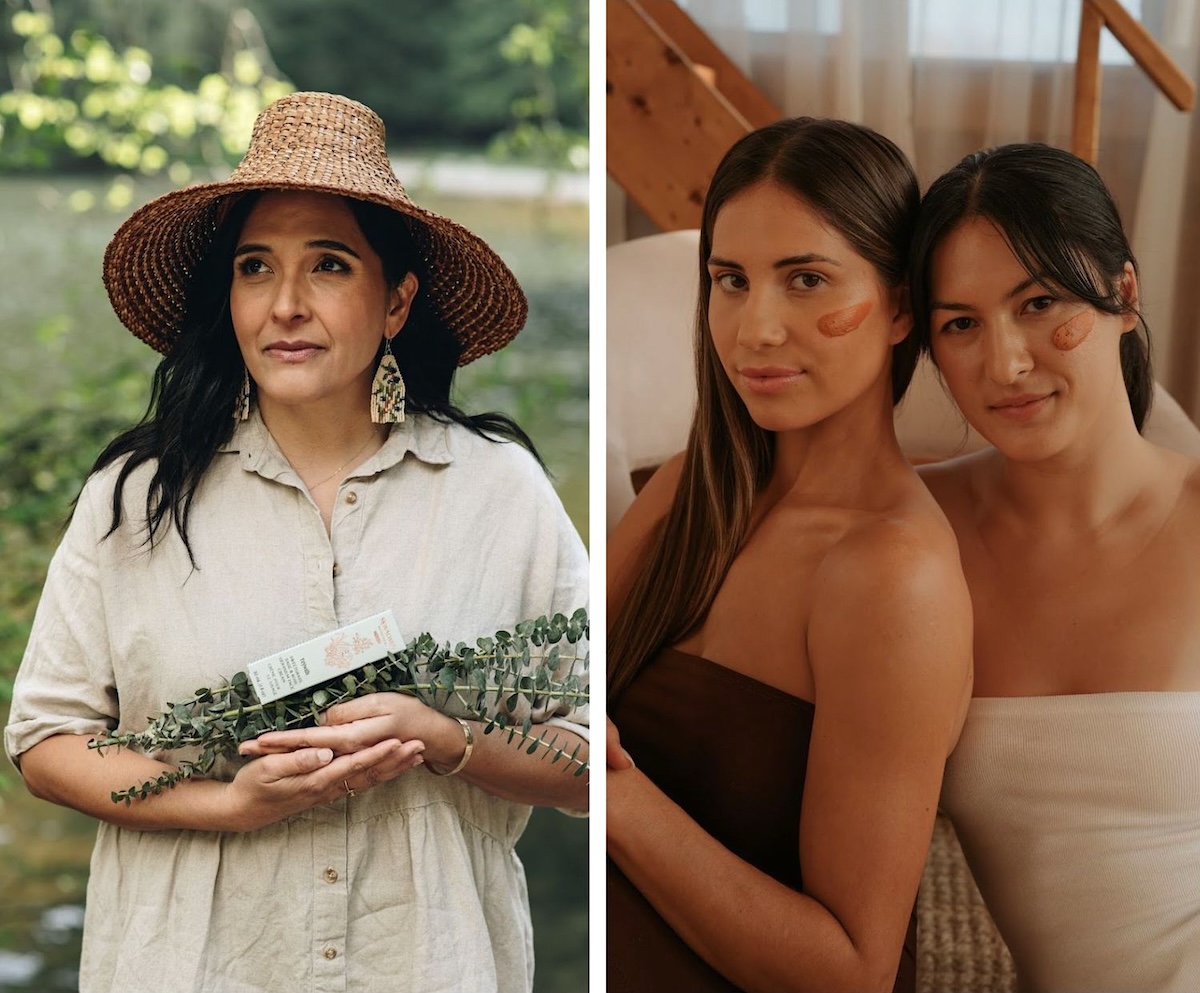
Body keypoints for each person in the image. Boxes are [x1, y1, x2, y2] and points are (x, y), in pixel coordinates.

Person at [4, 91, 588, 993]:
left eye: (328, 266)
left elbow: (595, 764)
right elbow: (44, 741)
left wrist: (449, 737)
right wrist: (228, 805)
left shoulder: (497, 493)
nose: (284, 304)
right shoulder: (135, 497)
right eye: (254, 267)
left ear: (395, 302)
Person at [606, 117, 973, 993]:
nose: (755, 329)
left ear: (898, 307)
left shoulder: (893, 574)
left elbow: (852, 970)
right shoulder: (703, 481)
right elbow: (550, 675)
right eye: (730, 281)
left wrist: (617, 802)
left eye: (805, 280)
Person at [910, 142, 1200, 992]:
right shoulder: (916, 533)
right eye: (960, 323)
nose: (1006, 363)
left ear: (1124, 293)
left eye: (1039, 302)